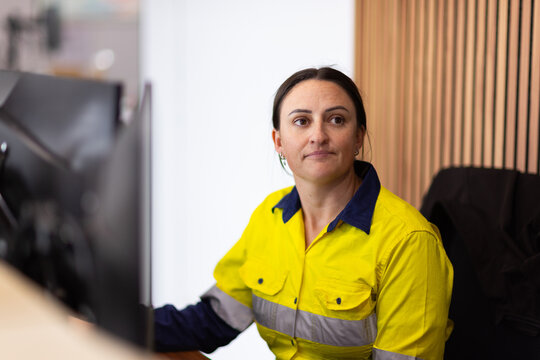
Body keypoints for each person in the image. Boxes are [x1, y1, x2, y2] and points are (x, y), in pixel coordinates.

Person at [153, 67, 453, 360]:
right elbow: (213, 321)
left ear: (359, 137)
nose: (318, 135)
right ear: (279, 142)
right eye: (301, 121)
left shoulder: (410, 241)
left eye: (336, 120)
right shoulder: (269, 216)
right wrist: (120, 319)